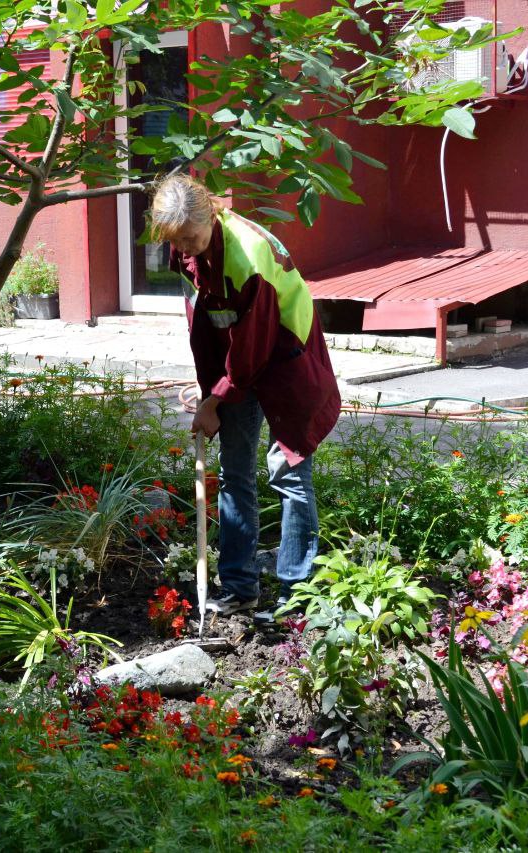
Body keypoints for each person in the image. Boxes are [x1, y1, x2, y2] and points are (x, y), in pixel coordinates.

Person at [149, 174, 341, 618]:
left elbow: (252, 349)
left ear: (212, 216)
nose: (185, 249)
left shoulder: (249, 258)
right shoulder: (186, 246)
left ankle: (296, 593)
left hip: (288, 360)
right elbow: (205, 323)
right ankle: (239, 587)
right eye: (176, 241)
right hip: (234, 365)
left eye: (191, 238)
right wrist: (207, 388)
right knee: (234, 471)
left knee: (287, 472)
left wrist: (216, 400)